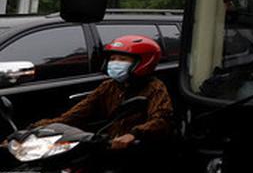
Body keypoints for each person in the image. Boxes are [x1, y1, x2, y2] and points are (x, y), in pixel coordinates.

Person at [31, 36, 173, 150]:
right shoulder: (108, 86)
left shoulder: (155, 88)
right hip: (107, 145)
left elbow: (161, 119)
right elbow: (77, 113)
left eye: (123, 59)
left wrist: (133, 135)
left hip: (139, 150)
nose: (115, 63)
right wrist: (37, 129)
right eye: (112, 59)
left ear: (143, 63)